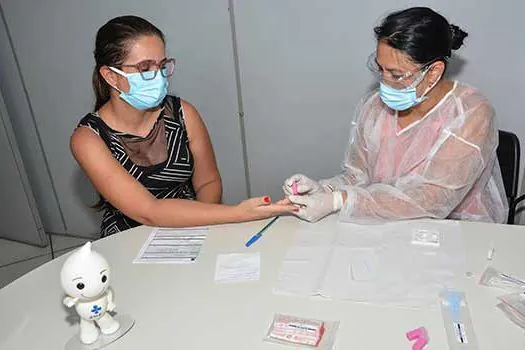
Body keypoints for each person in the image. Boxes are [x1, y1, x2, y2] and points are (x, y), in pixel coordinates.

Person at [71, 15, 295, 237]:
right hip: (127, 237)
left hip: (193, 225)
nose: (158, 76)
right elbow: (149, 211)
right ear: (111, 76)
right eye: (145, 68)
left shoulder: (183, 114)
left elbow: (208, 181)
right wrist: (238, 213)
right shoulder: (89, 139)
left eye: (162, 65)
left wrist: (200, 230)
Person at [283, 7, 508, 224]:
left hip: (461, 229)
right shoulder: (373, 107)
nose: (385, 82)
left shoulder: (470, 112)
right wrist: (324, 189)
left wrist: (338, 201)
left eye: (396, 74)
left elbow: (433, 200)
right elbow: (358, 177)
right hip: (386, 224)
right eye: (381, 69)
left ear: (434, 72)